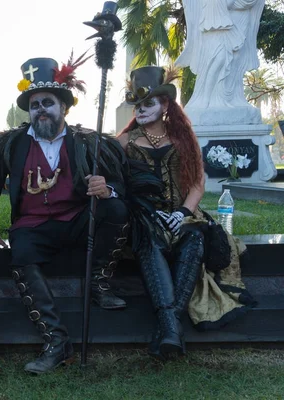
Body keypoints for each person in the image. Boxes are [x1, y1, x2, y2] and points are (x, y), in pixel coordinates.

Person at [0, 57, 129, 374]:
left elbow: (120, 183)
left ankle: (97, 281)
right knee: (21, 251)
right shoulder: (12, 144)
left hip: (76, 221)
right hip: (32, 226)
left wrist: (107, 187)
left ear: (64, 107)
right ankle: (57, 342)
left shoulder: (88, 142)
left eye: (48, 103)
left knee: (115, 208)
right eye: (34, 105)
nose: (40, 109)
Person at [117, 66, 255, 360]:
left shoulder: (183, 140)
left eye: (148, 104)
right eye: (138, 106)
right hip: (144, 218)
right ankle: (171, 327)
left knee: (193, 240)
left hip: (183, 214)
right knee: (148, 239)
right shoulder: (124, 142)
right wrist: (144, 212)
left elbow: (197, 183)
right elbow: (118, 184)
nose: (141, 110)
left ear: (165, 105)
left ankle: (168, 328)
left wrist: (181, 213)